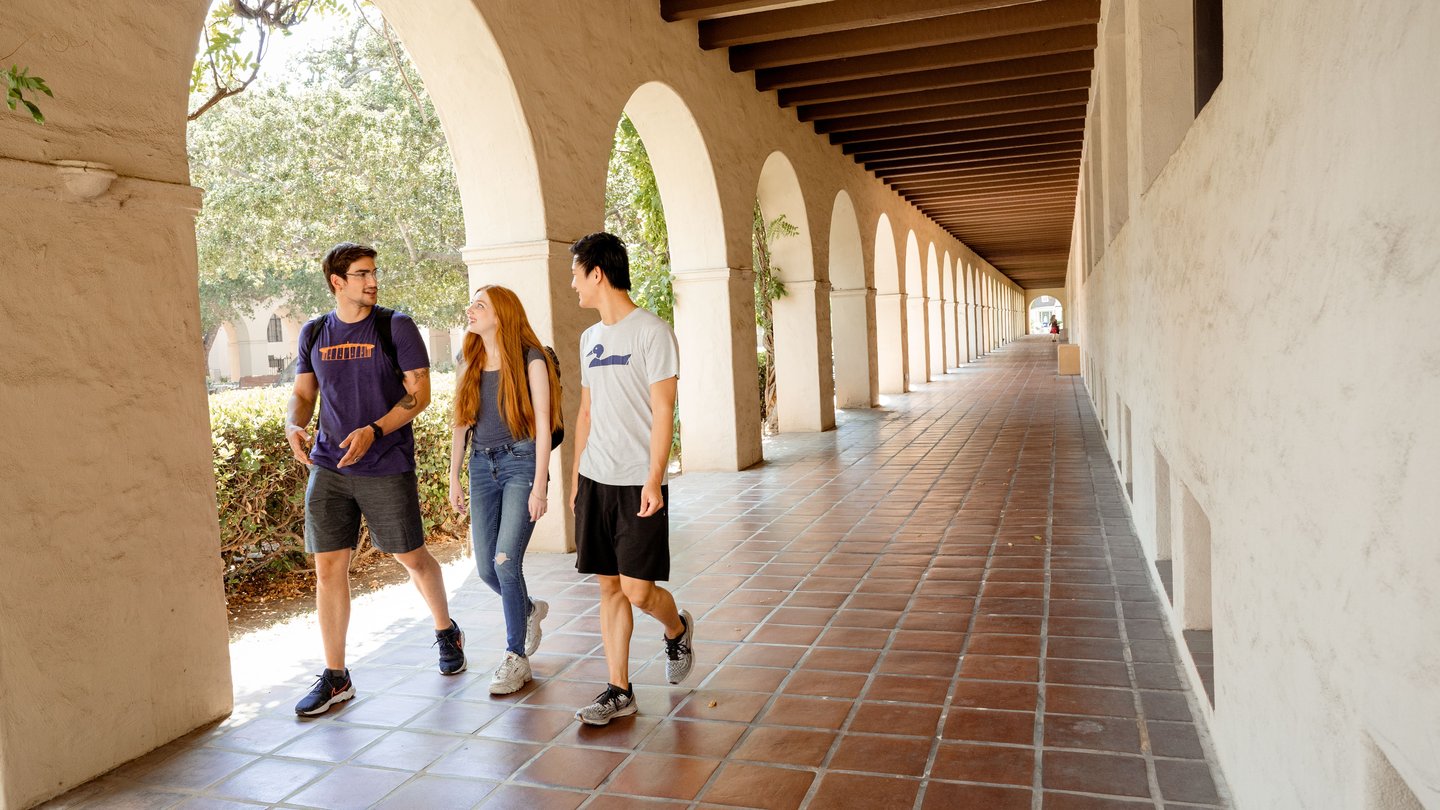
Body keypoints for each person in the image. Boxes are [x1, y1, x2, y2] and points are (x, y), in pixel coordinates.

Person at [285, 242, 465, 717]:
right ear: (336, 282)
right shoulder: (314, 331)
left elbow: (420, 394)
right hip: (329, 466)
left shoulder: (394, 325)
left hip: (385, 463)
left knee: (411, 557)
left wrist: (374, 430)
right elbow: (304, 394)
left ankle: (446, 629)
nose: (372, 281)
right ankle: (336, 676)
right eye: (362, 274)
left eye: (374, 272)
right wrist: (293, 422)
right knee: (327, 568)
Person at [567, 232, 693, 726]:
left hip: (638, 480)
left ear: (597, 273)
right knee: (609, 588)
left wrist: (654, 476)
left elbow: (665, 410)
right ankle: (619, 689)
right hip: (597, 478)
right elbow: (586, 413)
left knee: (639, 591)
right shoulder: (589, 339)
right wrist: (579, 476)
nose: (574, 284)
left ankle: (677, 629)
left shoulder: (652, 332)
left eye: (577, 274)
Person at [448, 285, 559, 695]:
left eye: (480, 304)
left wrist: (540, 486)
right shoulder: (468, 359)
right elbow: (461, 422)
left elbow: (544, 425)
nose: (470, 309)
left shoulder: (532, 359)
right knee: (485, 568)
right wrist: (453, 475)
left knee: (505, 562)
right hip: (481, 465)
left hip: (522, 463)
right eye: (471, 303)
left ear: (501, 314)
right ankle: (528, 609)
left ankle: (516, 657)